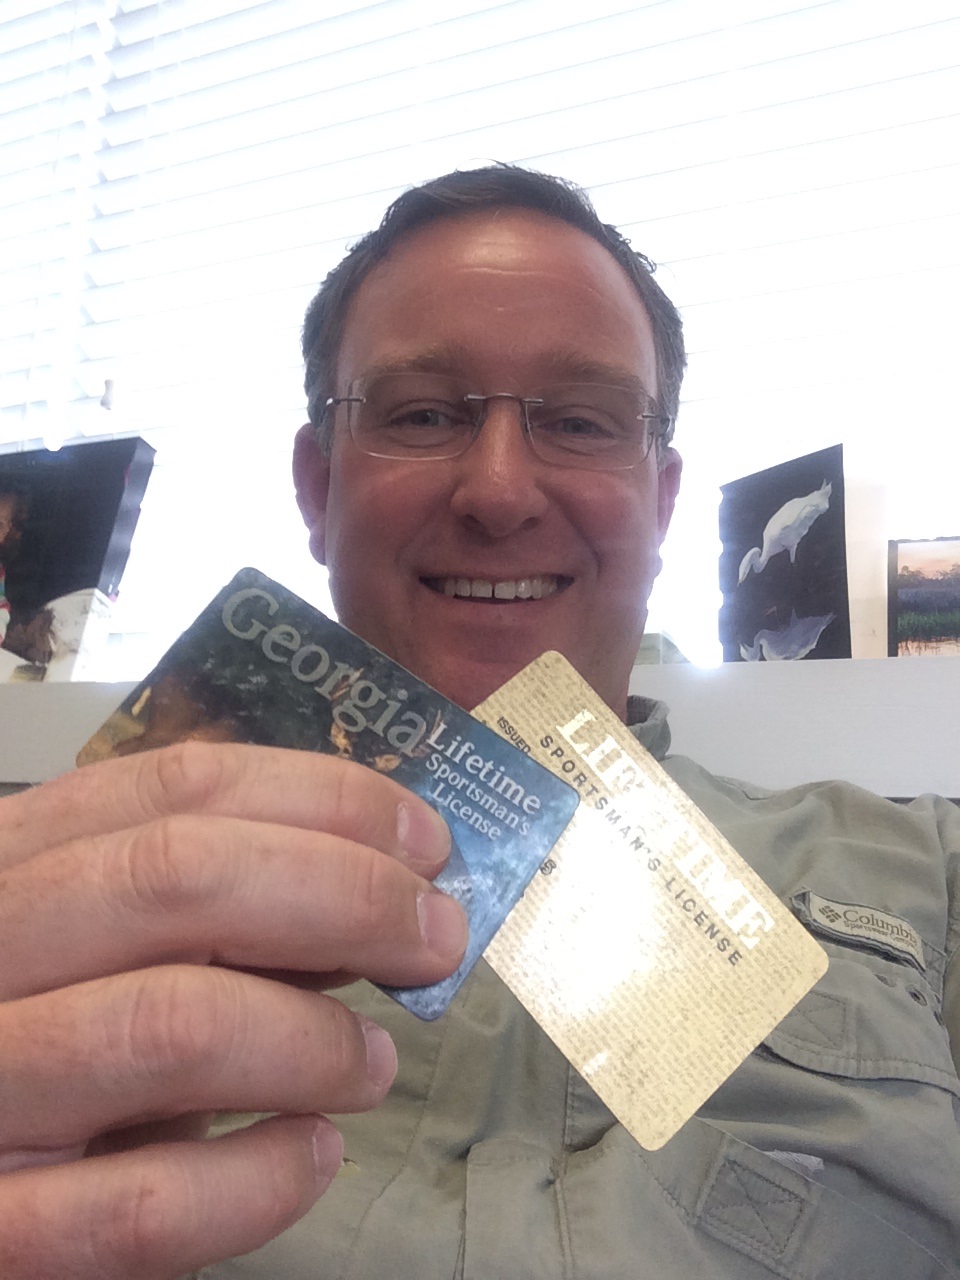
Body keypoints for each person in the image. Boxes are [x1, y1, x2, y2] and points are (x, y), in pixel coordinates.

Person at [0, 166, 956, 1279]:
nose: (498, 491)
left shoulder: (925, 870)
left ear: (661, 503)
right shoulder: (56, 881)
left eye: (581, 422)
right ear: (316, 487)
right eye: (422, 414)